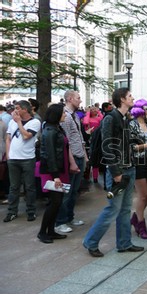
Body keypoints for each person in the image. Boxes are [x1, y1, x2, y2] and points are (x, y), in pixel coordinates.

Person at [83, 88, 144, 257]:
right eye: (130, 96)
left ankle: (124, 243)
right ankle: (91, 241)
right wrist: (116, 172)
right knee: (113, 210)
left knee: (124, 210)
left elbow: (123, 143)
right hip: (119, 171)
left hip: (129, 168)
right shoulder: (111, 118)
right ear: (122, 99)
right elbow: (107, 146)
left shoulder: (124, 118)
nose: (133, 98)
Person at [37, 103, 71, 243]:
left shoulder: (56, 128)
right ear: (56, 114)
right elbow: (50, 155)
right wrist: (55, 176)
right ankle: (42, 232)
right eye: (63, 112)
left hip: (59, 170)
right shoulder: (50, 131)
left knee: (56, 202)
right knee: (54, 202)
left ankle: (50, 231)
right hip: (53, 172)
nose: (65, 114)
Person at [3, 100, 41, 223]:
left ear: (25, 109)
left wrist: (19, 122)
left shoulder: (35, 122)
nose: (15, 111)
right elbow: (8, 138)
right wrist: (8, 154)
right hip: (13, 159)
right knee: (13, 187)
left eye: (18, 108)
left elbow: (26, 136)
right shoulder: (12, 122)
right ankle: (12, 211)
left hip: (27, 158)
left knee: (29, 186)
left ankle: (31, 211)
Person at [55, 90, 88, 233]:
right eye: (78, 98)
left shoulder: (75, 116)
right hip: (71, 159)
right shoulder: (65, 117)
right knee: (67, 192)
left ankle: (69, 217)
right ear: (69, 99)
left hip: (79, 156)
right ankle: (60, 221)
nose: (80, 101)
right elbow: (65, 142)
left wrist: (85, 156)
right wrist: (72, 161)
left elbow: (79, 137)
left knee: (74, 191)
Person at [129, 99, 147, 239]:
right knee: (142, 195)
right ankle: (141, 225)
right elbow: (130, 147)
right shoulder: (132, 125)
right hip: (138, 162)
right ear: (140, 110)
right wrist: (146, 145)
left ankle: (135, 218)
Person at [83, 106, 104, 183]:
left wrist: (99, 112)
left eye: (95, 110)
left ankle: (96, 175)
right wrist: (88, 113)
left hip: (99, 139)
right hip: (90, 138)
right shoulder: (88, 118)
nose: (94, 111)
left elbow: (103, 120)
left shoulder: (99, 118)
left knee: (97, 157)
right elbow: (85, 122)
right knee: (92, 157)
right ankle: (92, 176)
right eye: (92, 110)